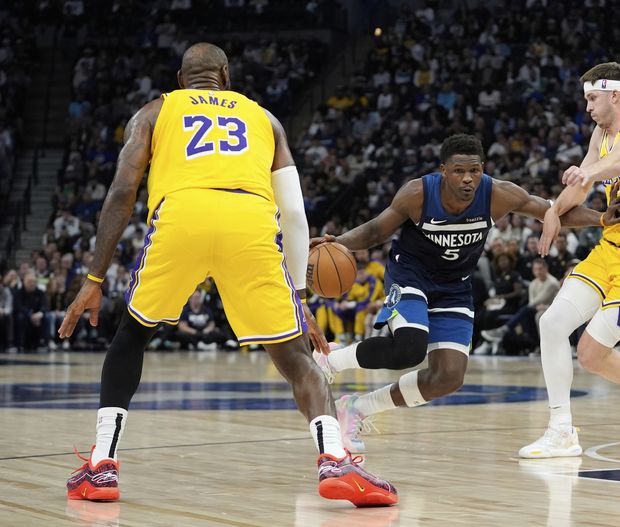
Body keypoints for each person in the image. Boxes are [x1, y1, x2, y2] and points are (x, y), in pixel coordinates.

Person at [58, 43, 396, 507]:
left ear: (181, 79)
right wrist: (298, 299)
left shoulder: (155, 111)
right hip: (250, 221)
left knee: (131, 337)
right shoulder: (265, 119)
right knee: (296, 357)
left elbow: (121, 189)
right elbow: (295, 215)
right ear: (225, 74)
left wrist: (93, 279)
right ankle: (334, 458)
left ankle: (101, 465)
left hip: (183, 216)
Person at [310, 133, 620, 453]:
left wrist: (599, 218)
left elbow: (553, 211)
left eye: (474, 171)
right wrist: (337, 241)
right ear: (443, 171)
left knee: (447, 377)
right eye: (459, 171)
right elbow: (376, 230)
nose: (467, 179)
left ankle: (357, 409)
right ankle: (331, 360)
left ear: (482, 169)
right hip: (410, 275)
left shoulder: (497, 194)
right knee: (409, 347)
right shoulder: (418, 193)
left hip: (454, 287)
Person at [522, 62, 620, 459]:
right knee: (552, 324)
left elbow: (617, 164)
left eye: (592, 98)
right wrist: (554, 212)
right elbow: (584, 185)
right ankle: (561, 432)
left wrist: (584, 171)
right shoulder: (600, 133)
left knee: (590, 354)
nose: (588, 107)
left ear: (614, 94)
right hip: (611, 249)